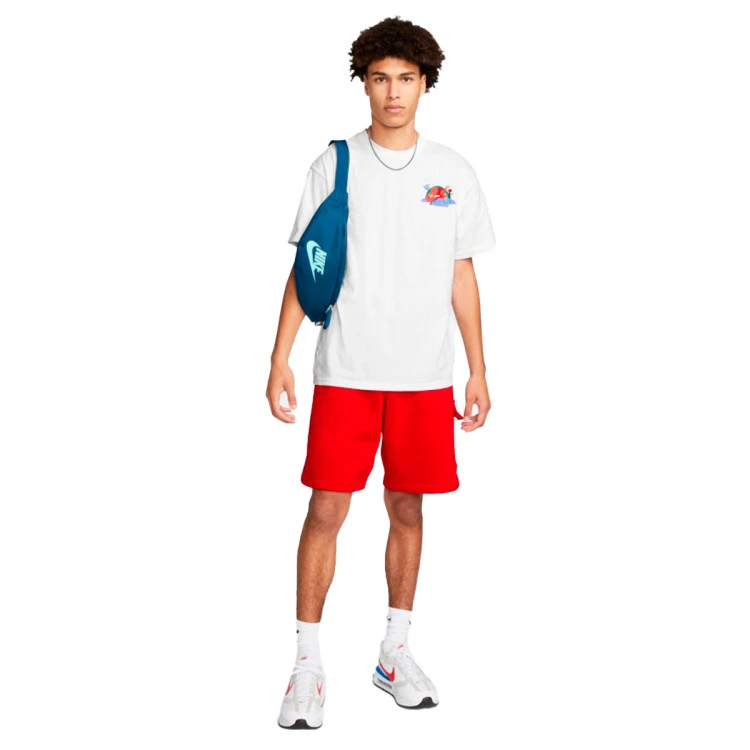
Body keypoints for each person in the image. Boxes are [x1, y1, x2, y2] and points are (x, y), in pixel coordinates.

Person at [267, 16, 496, 730]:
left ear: (425, 84)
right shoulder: (334, 165)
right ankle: (307, 664)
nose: (393, 92)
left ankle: (394, 652)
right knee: (326, 511)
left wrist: (478, 370)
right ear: (363, 84)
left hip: (424, 378)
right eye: (380, 79)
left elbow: (462, 275)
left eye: (406, 79)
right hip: (347, 372)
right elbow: (307, 264)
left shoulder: (453, 172)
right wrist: (279, 356)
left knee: (408, 509)